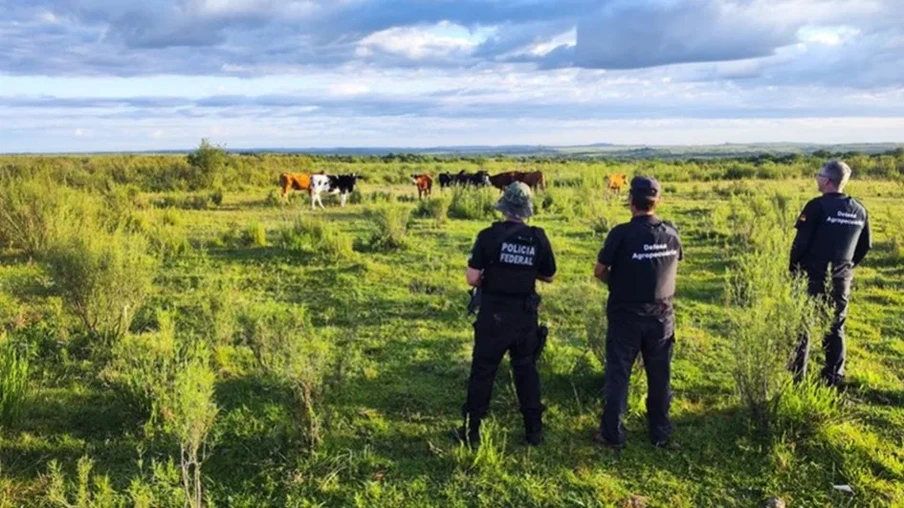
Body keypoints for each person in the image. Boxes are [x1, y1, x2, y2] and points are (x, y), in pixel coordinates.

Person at [457, 182, 556, 448]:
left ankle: (472, 430)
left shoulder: (488, 236)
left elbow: (472, 278)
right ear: (526, 210)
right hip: (524, 315)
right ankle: (533, 430)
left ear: (504, 207)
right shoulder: (538, 237)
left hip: (493, 315)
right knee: (526, 370)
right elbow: (549, 274)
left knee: (483, 371)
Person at [593, 176, 682, 450]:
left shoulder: (620, 234)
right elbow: (673, 263)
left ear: (631, 201)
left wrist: (620, 283)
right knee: (660, 373)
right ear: (658, 201)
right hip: (662, 315)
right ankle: (659, 432)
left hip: (625, 314)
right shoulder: (671, 232)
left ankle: (612, 433)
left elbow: (599, 271)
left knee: (619, 372)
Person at [790, 160, 871, 389]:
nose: (817, 178)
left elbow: (801, 243)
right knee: (835, 327)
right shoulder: (859, 209)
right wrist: (846, 267)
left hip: (811, 275)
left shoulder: (816, 206)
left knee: (803, 325)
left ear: (826, 180)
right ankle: (833, 378)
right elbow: (865, 246)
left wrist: (792, 269)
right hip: (841, 278)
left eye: (818, 175)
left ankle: (797, 378)